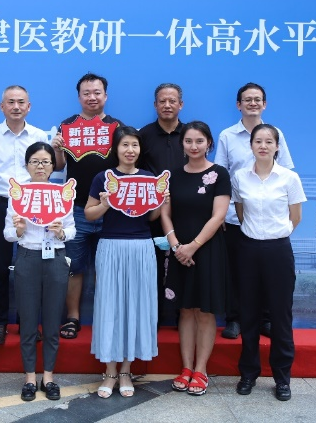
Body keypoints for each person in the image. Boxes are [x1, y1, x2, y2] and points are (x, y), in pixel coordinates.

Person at [85, 126, 162, 398]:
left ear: (140, 149)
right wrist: (105, 204)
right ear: (116, 149)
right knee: (110, 307)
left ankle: (127, 370)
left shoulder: (149, 178)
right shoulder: (103, 178)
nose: (130, 150)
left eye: (135, 145)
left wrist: (161, 201)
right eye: (125, 145)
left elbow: (151, 218)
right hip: (111, 246)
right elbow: (90, 214)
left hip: (141, 247)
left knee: (135, 308)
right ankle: (109, 372)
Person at [232, 124, 306, 402]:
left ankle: (282, 378)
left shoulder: (289, 178)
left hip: (278, 250)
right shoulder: (240, 177)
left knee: (280, 315)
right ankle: (248, 373)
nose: (263, 146)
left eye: (268, 142)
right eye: (258, 141)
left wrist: (275, 235)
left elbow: (295, 217)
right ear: (251, 145)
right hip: (249, 249)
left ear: (277, 146)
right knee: (249, 314)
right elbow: (241, 213)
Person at [215, 82, 294, 340]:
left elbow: (286, 174)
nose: (252, 103)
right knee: (236, 271)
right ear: (238, 105)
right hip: (234, 218)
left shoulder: (275, 134)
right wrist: (220, 213)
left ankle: (266, 319)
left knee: (268, 273)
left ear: (264, 104)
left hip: (268, 220)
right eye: (247, 99)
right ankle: (235, 319)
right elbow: (220, 176)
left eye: (257, 99)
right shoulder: (227, 136)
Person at [0, 86, 48, 345]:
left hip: (32, 205)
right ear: (2, 106)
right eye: (11, 102)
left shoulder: (39, 136)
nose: (16, 107)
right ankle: (0, 323)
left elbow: (46, 169)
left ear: (29, 106)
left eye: (21, 102)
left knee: (31, 267)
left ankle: (28, 323)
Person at [51, 73, 124, 339]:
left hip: (110, 210)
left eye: (97, 92)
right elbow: (59, 166)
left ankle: (108, 319)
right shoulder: (67, 126)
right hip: (76, 209)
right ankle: (72, 317)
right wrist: (57, 148)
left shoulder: (117, 128)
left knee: (109, 269)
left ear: (105, 95)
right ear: (79, 96)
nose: (92, 97)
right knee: (74, 267)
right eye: (86, 93)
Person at [161, 121, 230, 396]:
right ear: (182, 144)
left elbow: (219, 216)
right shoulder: (172, 176)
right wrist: (177, 246)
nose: (194, 146)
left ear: (209, 143)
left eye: (199, 141)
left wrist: (193, 247)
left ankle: (201, 370)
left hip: (208, 250)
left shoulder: (219, 174)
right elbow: (165, 214)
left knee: (204, 310)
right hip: (178, 250)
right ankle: (186, 368)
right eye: (188, 141)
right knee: (185, 309)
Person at [4, 142, 74, 402]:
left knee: (53, 321)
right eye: (35, 161)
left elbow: (73, 229)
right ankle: (30, 378)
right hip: (27, 257)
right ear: (27, 165)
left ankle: (49, 377)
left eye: (45, 161)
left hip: (55, 256)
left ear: (53, 166)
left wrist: (62, 232)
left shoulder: (61, 194)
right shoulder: (18, 194)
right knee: (29, 322)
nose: (40, 166)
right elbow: (7, 234)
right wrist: (19, 230)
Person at [140, 83, 186, 327]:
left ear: (181, 104)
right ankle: (154, 317)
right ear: (155, 104)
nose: (167, 105)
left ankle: (182, 316)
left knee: (183, 260)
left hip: (185, 210)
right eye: (162, 101)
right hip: (152, 212)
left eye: (172, 101)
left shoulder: (190, 134)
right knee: (153, 265)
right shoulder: (143, 136)